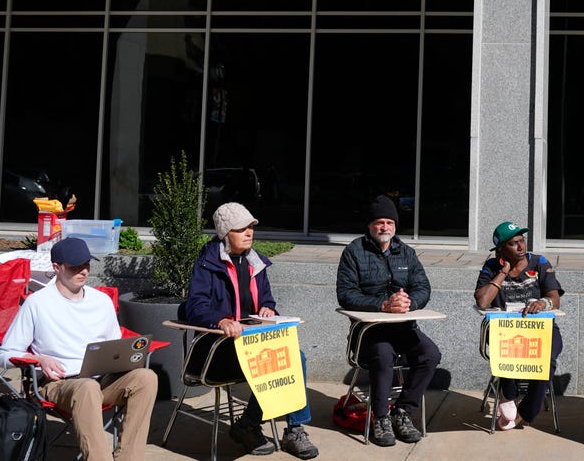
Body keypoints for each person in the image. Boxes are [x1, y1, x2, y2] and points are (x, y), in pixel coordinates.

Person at [0, 237, 157, 461]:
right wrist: (40, 359)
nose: (83, 271)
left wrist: (128, 357)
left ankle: (129, 458)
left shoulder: (101, 301)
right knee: (87, 387)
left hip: (102, 380)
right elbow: (4, 354)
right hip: (59, 384)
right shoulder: (38, 303)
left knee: (146, 377)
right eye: (75, 266)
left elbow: (115, 346)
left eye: (86, 264)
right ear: (56, 268)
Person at [182, 202, 317, 459]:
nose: (249, 232)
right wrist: (221, 320)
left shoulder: (255, 263)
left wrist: (268, 309)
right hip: (217, 348)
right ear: (225, 233)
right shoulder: (207, 264)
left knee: (294, 357)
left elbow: (267, 300)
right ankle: (249, 426)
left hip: (252, 343)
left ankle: (293, 429)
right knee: (275, 363)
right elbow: (195, 307)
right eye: (241, 228)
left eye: (251, 227)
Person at [336, 194, 442, 447]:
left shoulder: (406, 252)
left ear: (395, 226)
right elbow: (345, 294)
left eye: (389, 223)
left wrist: (409, 303)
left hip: (404, 328)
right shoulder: (354, 252)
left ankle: (402, 412)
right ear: (370, 226)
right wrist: (383, 305)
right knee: (383, 356)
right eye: (379, 222)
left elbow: (423, 288)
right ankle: (380, 418)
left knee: (430, 354)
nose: (385, 228)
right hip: (369, 331)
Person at [474, 221, 564, 430]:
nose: (522, 247)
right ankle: (508, 392)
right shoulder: (491, 266)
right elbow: (482, 301)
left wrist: (543, 303)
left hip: (540, 329)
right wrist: (503, 272)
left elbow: (555, 298)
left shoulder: (540, 263)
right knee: (505, 349)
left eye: (522, 241)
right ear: (501, 249)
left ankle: (526, 412)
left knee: (547, 359)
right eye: (514, 243)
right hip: (504, 331)